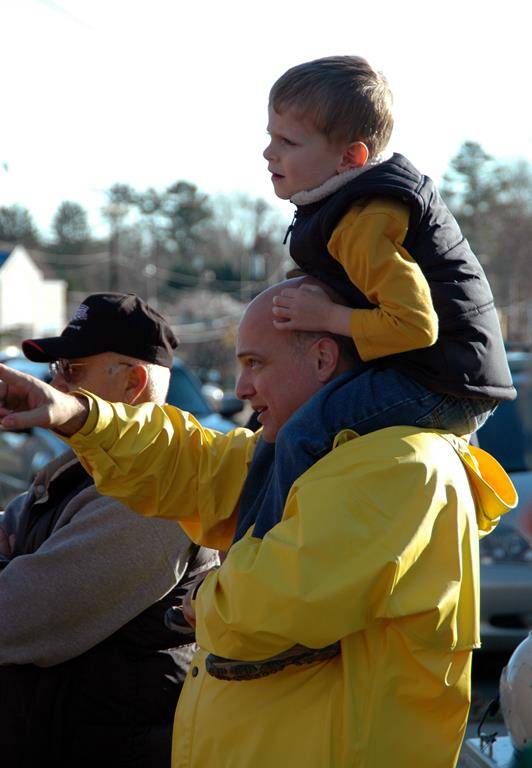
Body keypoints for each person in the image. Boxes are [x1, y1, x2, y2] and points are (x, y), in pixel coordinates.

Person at [0, 279, 517, 768]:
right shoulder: (307, 456)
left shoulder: (398, 465)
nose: (241, 388)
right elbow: (187, 464)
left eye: (255, 363)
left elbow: (266, 609)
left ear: (322, 358)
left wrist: (201, 603)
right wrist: (73, 412)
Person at [260, 55, 516, 533]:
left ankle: (264, 562)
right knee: (277, 432)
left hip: (447, 382)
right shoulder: (342, 205)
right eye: (271, 136)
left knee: (302, 435)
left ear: (350, 158)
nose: (269, 153)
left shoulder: (363, 221)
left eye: (288, 142)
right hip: (437, 371)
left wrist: (328, 315)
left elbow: (415, 326)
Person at [0, 292, 218, 768]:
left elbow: (13, 616)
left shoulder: (148, 499)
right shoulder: (76, 470)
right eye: (56, 366)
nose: (54, 382)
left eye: (71, 370)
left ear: (134, 382)